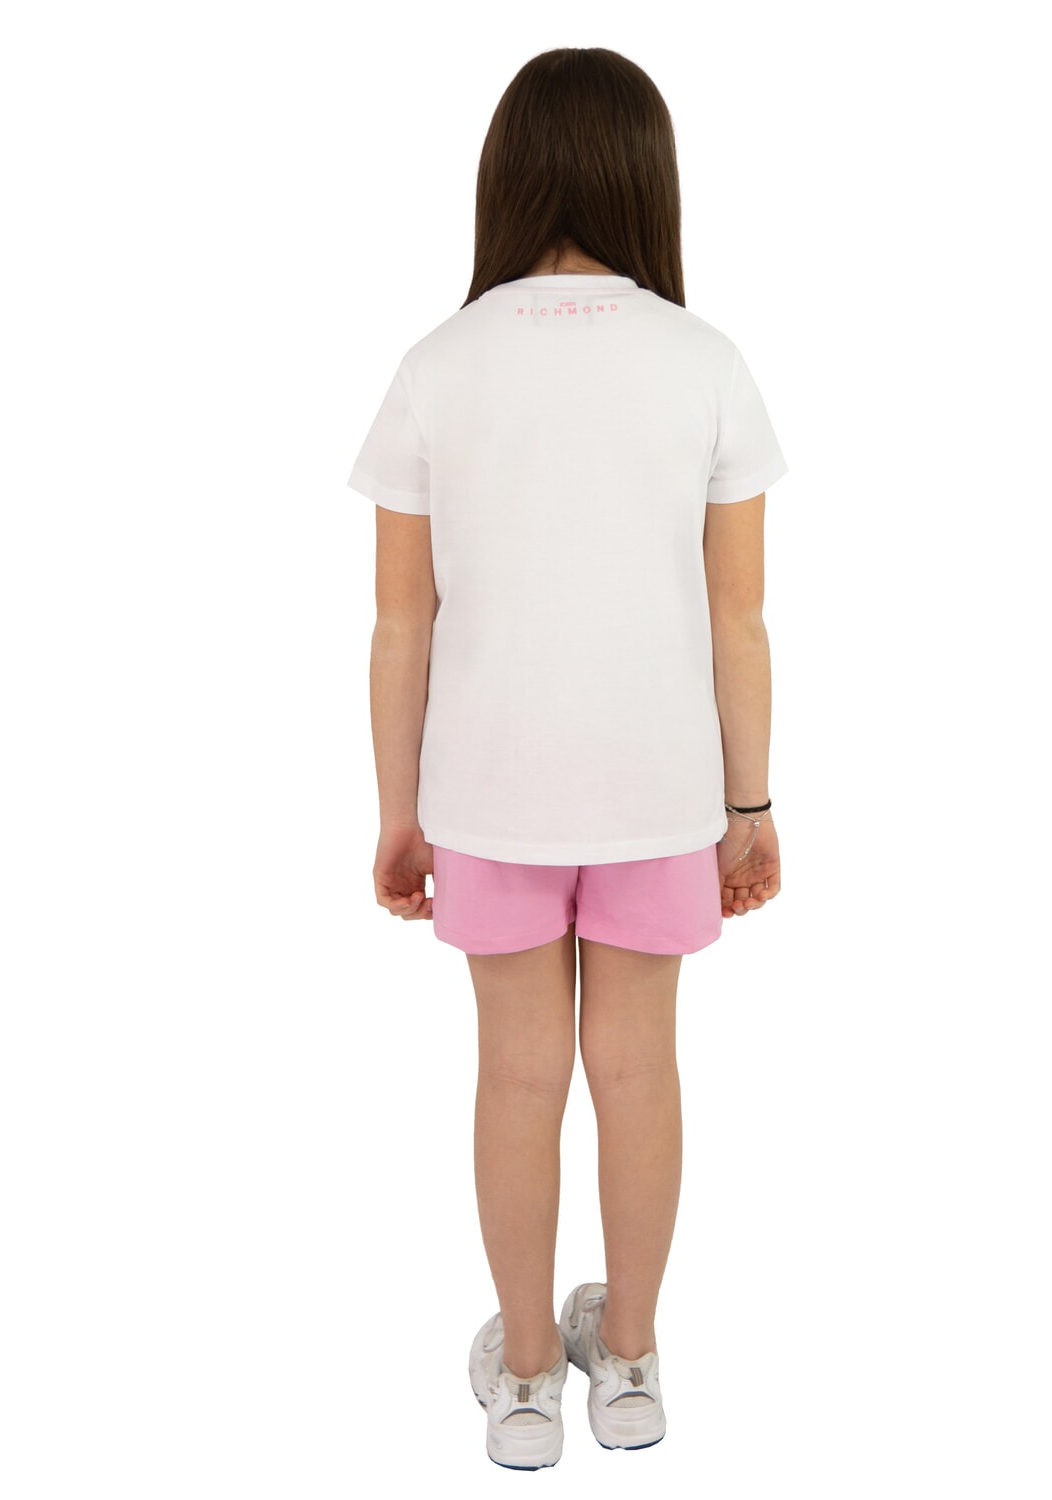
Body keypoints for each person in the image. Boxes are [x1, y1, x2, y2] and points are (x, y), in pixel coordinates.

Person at [347, 47, 787, 1469]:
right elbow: (737, 617)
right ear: (648, 177)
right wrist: (749, 804)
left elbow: (400, 624)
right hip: (660, 789)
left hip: (487, 792)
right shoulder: (703, 361)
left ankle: (529, 1378)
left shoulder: (438, 364)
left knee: (516, 1077)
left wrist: (398, 812)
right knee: (640, 1072)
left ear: (506, 175)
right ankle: (633, 1363)